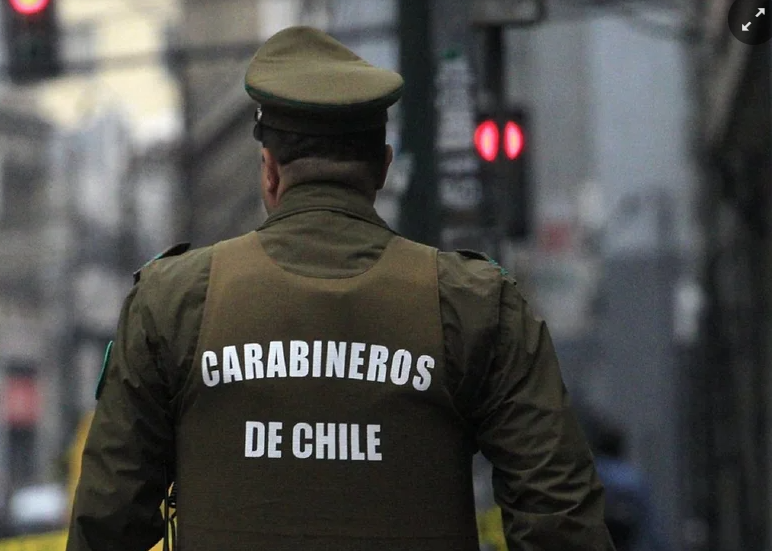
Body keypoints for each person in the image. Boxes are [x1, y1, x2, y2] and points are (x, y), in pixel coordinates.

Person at [66, 25, 615, 551]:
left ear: (270, 171)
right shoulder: (476, 305)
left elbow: (108, 522)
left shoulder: (172, 301)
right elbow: (560, 521)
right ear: (382, 168)